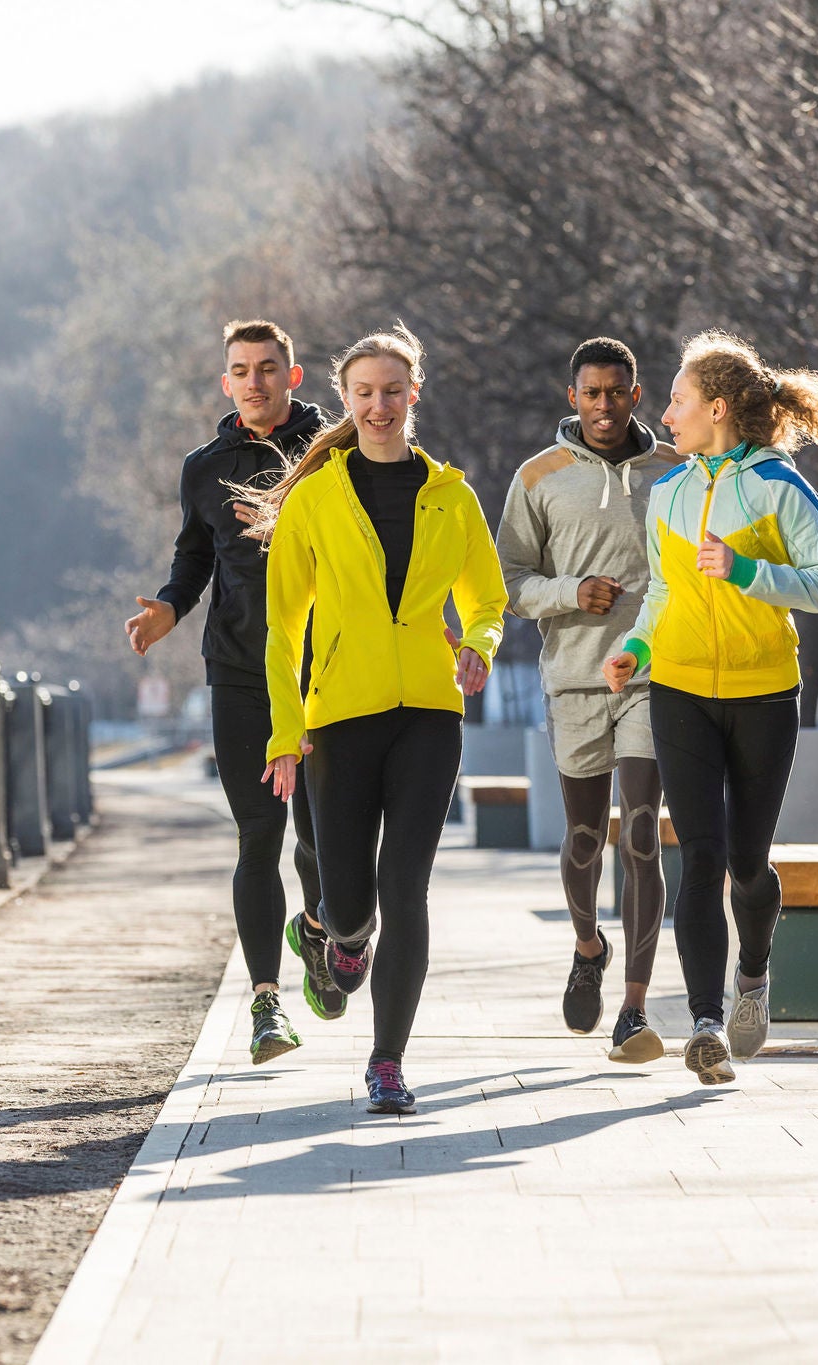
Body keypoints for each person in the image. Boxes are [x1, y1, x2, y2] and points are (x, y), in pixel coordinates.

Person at [246, 324, 507, 1114]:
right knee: (354, 900)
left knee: (408, 886)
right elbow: (283, 628)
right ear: (349, 399)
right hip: (343, 716)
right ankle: (337, 938)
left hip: (430, 712)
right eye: (364, 393)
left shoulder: (451, 496)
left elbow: (487, 599)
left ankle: (387, 1061)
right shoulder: (317, 499)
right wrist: (285, 732)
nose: (379, 405)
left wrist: (482, 648)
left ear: (412, 394)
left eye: (392, 391)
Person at [602, 330, 818, 1085]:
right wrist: (638, 650)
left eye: (678, 400)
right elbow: (664, 592)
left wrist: (748, 568)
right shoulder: (669, 493)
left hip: (763, 692)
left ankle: (753, 974)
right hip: (679, 689)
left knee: (747, 862)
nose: (667, 413)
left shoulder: (781, 487)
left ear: (716, 408)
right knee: (700, 853)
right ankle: (706, 1022)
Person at [126, 320, 339, 1067]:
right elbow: (193, 555)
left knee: (322, 842)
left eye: (268, 368)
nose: (255, 381)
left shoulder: (334, 452)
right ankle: (266, 1003)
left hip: (325, 672)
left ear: (294, 375)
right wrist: (166, 606)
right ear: (226, 383)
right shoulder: (205, 466)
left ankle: (319, 926)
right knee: (260, 834)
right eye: (241, 370)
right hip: (241, 671)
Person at [497, 337, 678, 1064]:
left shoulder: (674, 473)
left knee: (640, 833)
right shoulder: (538, 477)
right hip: (573, 678)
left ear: (638, 393)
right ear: (571, 397)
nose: (605, 404)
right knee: (583, 840)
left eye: (617, 391)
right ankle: (586, 944)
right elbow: (508, 582)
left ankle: (634, 1008)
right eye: (591, 392)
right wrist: (570, 592)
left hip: (652, 679)